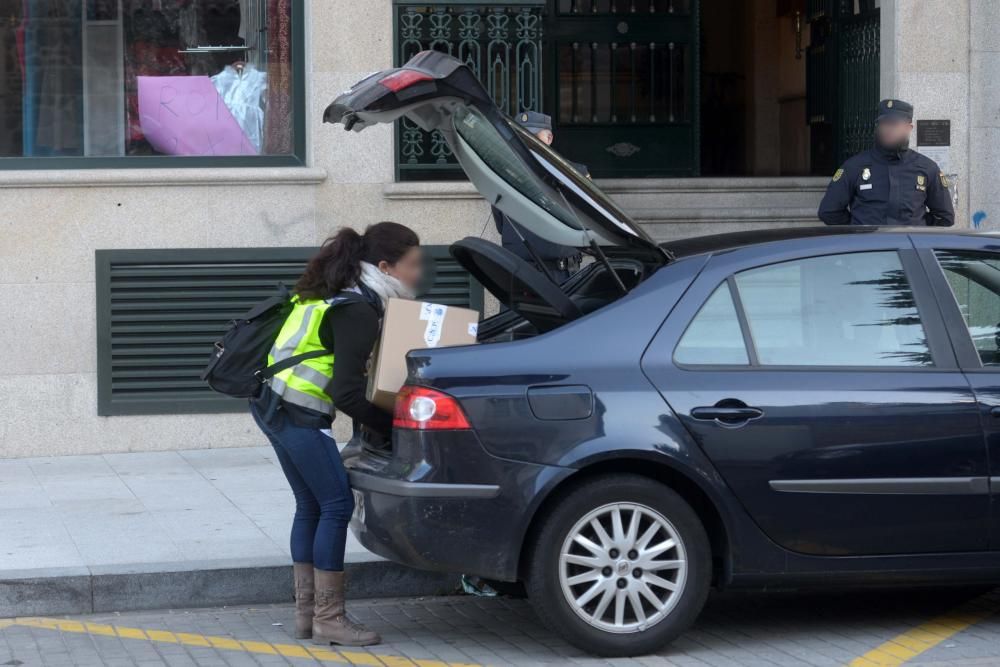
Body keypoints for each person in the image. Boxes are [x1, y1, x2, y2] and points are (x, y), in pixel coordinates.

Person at [250, 222, 422, 647]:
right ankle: (330, 619)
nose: (418, 274)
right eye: (412, 264)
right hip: (297, 412)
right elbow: (346, 391)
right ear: (385, 266)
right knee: (336, 502)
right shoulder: (358, 310)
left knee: (310, 504)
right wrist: (394, 427)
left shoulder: (333, 292)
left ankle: (307, 616)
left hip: (274, 404)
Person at [817, 99, 954, 227]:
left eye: (894, 124)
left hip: (907, 248)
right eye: (884, 124)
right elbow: (829, 212)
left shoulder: (927, 167)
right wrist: (858, 229)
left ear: (909, 128)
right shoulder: (854, 166)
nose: (888, 129)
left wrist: (918, 227)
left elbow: (945, 217)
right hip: (869, 249)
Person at [493, 111, 589, 282]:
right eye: (521, 136)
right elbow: (501, 223)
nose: (527, 142)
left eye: (535, 136)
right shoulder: (502, 175)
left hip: (561, 277)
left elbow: (588, 221)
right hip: (518, 278)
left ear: (549, 138)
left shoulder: (576, 174)